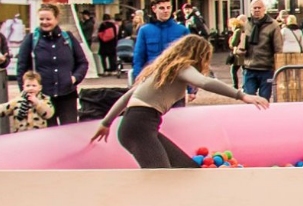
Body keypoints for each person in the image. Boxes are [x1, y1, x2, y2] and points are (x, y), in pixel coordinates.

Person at [93, 36, 268, 168]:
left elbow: (126, 98)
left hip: (138, 124)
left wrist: (106, 123)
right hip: (140, 126)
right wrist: (242, 95)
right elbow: (205, 82)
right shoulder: (181, 67)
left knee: (185, 169)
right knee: (162, 175)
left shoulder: (163, 70)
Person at [16, 3, 88, 125]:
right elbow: (22, 68)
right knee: (47, 135)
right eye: (41, 19)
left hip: (67, 94)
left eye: (48, 19)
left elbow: (82, 62)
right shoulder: (31, 39)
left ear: (56, 19)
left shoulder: (67, 38)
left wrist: (74, 78)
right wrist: (25, 92)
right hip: (42, 98)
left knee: (69, 132)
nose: (45, 22)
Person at [131, 0, 190, 81]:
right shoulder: (145, 30)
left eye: (168, 7)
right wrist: (137, 79)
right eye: (162, 8)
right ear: (154, 9)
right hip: (152, 77)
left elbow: (188, 59)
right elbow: (139, 57)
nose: (166, 11)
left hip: (175, 79)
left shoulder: (182, 30)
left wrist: (191, 89)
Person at [239, 0, 283, 100]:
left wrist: (277, 66)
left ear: (264, 9)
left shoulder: (273, 25)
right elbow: (239, 42)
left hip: (266, 68)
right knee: (249, 97)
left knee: (264, 98)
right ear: (250, 10)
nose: (257, 10)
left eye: (259, 8)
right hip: (249, 67)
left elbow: (278, 48)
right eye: (254, 8)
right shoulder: (246, 24)